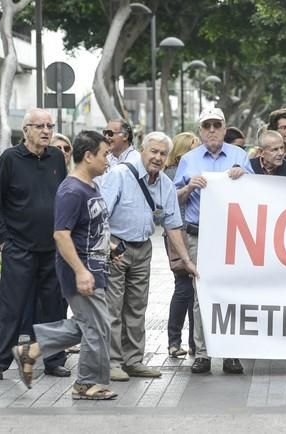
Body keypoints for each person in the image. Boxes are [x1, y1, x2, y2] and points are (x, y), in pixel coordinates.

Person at [12, 131, 117, 399]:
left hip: (95, 268)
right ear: (89, 155)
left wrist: (109, 247)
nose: (109, 160)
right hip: (81, 271)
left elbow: (90, 227)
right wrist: (81, 270)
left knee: (89, 324)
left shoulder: (91, 186)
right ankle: (86, 384)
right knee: (97, 327)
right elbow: (61, 234)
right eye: (105, 154)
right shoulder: (71, 190)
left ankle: (32, 350)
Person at [101, 131, 197, 381]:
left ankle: (133, 361)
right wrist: (109, 247)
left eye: (163, 153)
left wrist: (187, 260)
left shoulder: (165, 183)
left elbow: (173, 224)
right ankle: (112, 362)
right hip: (116, 248)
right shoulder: (119, 175)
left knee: (136, 307)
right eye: (153, 151)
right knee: (113, 307)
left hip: (143, 249)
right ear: (142, 150)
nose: (158, 157)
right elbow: (100, 217)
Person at [0, 108, 70, 381]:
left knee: (54, 308)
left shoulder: (57, 157)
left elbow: (64, 198)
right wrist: (5, 241)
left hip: (52, 249)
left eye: (50, 125)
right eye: (40, 126)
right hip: (19, 249)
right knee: (12, 308)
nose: (46, 131)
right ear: (26, 131)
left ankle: (54, 360)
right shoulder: (10, 159)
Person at [174, 107, 252, 375]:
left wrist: (244, 176)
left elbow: (258, 193)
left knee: (232, 294)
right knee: (201, 296)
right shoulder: (189, 159)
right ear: (199, 131)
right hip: (199, 235)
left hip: (233, 236)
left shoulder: (239, 156)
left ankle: (231, 353)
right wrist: (188, 187)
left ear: (224, 127)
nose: (211, 130)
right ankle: (203, 353)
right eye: (206, 125)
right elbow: (174, 199)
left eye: (216, 125)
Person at [164, 132, 199, 357]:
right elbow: (166, 204)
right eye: (194, 148)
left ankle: (194, 342)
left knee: (195, 290)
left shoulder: (198, 168)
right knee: (184, 288)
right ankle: (174, 340)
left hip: (194, 233)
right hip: (178, 233)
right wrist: (188, 187)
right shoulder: (170, 174)